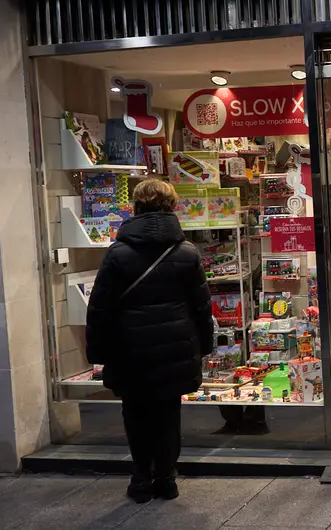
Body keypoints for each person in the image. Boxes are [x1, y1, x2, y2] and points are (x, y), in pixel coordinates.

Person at [86, 179, 213, 503]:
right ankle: (166, 479)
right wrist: (205, 346)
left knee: (135, 413)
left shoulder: (118, 254)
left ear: (136, 208)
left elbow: (100, 307)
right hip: (174, 346)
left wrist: (97, 351)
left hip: (130, 349)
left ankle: (141, 479)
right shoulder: (186, 252)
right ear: (172, 208)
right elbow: (201, 305)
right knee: (168, 413)